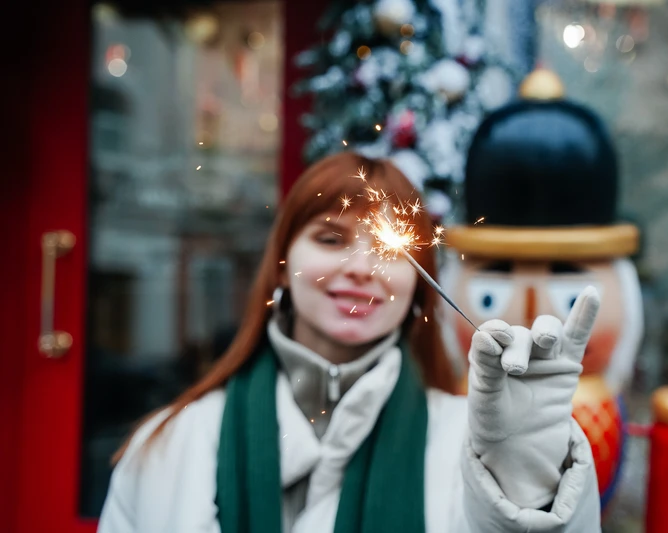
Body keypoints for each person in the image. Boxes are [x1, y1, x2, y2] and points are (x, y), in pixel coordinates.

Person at [97, 152, 602, 533]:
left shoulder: (470, 446)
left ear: (417, 288)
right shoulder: (168, 446)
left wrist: (526, 486)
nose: (362, 268)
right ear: (282, 264)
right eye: (331, 239)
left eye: (387, 247)